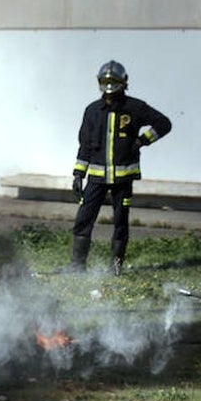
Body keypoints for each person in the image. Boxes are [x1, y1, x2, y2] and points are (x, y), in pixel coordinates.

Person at [70, 60, 172, 274]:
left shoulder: (134, 108)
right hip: (96, 178)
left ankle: (115, 267)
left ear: (123, 82)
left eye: (113, 81)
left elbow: (164, 124)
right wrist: (79, 174)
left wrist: (142, 140)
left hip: (123, 179)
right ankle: (77, 266)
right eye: (105, 81)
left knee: (120, 223)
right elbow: (85, 144)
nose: (109, 85)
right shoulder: (92, 111)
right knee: (84, 219)